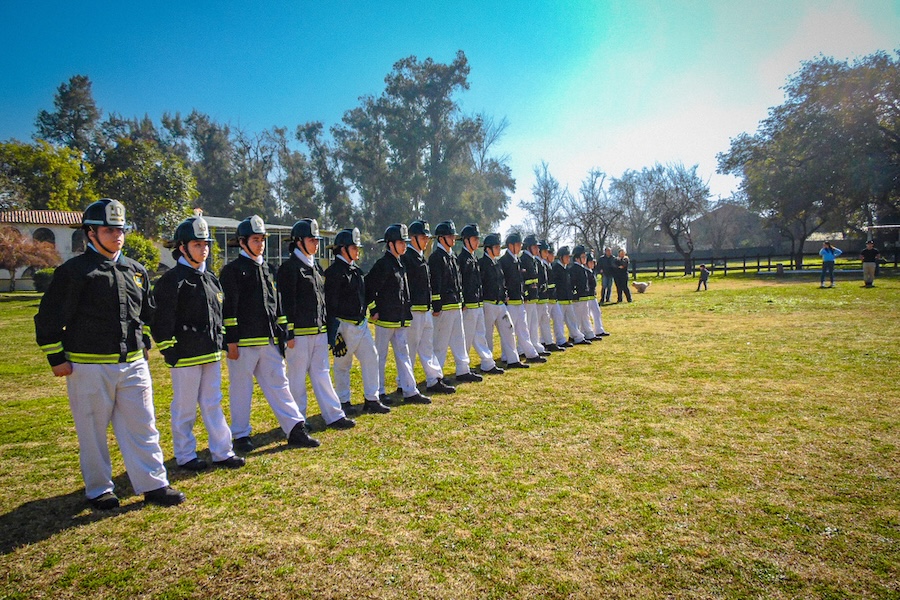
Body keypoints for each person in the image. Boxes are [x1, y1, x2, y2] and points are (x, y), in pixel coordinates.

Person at [35, 198, 185, 509]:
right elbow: (49, 317)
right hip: (88, 366)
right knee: (92, 430)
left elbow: (147, 314)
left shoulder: (136, 270)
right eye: (108, 229)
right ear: (90, 233)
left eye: (120, 229)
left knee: (144, 425)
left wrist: (143, 341)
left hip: (132, 364)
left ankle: (154, 484)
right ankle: (99, 489)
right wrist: (56, 357)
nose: (117, 235)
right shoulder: (73, 272)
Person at [152, 216, 244, 472]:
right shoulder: (172, 281)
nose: (203, 249)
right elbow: (161, 320)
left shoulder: (212, 279)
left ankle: (222, 451)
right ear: (182, 247)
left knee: (213, 402)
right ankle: (185, 455)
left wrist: (222, 342)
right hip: (185, 355)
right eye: (197, 244)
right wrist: (170, 350)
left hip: (211, 353)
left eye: (205, 244)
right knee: (184, 407)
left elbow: (220, 316)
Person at [220, 216, 319, 453]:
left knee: (279, 384)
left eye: (262, 239)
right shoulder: (232, 271)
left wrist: (283, 332)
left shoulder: (267, 268)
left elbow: (276, 304)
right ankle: (241, 435)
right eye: (255, 239)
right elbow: (228, 309)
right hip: (243, 343)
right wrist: (231, 341)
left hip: (268, 340)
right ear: (242, 242)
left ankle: (295, 428)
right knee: (241, 389)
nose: (260, 244)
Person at [277, 219, 356, 429]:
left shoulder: (316, 267)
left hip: (319, 331)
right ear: (299, 242)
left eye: (317, 240)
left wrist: (329, 329)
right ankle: (298, 420)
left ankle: (334, 415)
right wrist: (289, 333)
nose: (316, 244)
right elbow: (285, 303)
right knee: (296, 379)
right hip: (299, 334)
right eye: (312, 240)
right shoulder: (289, 269)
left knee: (322, 374)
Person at [324, 227, 391, 414]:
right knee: (342, 365)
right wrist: (334, 332)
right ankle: (344, 401)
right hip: (343, 325)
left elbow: (363, 296)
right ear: (343, 249)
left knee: (371, 357)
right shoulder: (334, 273)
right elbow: (329, 305)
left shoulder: (356, 270)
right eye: (354, 247)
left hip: (360, 324)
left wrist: (371, 309)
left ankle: (372, 398)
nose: (358, 250)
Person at [365, 224, 432, 405]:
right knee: (380, 356)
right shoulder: (383, 264)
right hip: (385, 320)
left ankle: (410, 390)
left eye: (405, 242)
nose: (404, 245)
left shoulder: (400, 263)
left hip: (400, 319)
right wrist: (374, 309)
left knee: (404, 355)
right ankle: (379, 392)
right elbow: (368, 287)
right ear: (390, 244)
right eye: (401, 242)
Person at [401, 220, 455, 395]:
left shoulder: (419, 257)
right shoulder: (407, 258)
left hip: (425, 309)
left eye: (426, 237)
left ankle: (434, 379)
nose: (426, 240)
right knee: (410, 348)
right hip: (414, 310)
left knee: (427, 348)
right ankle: (403, 383)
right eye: (423, 237)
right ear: (413, 238)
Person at [429, 220, 483, 384]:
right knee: (441, 343)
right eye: (449, 236)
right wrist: (437, 304)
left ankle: (463, 370)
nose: (453, 239)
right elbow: (435, 283)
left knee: (459, 340)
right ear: (441, 238)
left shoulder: (451, 256)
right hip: (445, 306)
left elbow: (458, 280)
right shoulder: (436, 258)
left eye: (453, 236)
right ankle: (436, 376)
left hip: (456, 304)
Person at [457, 223, 504, 375]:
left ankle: (487, 363)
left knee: (479, 335)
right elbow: (460, 282)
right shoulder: (462, 259)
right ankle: (463, 369)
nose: (477, 242)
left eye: (478, 239)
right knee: (468, 338)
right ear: (466, 240)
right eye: (474, 239)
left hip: (477, 303)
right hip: (469, 304)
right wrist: (463, 300)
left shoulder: (472, 257)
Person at [479, 233, 528, 369]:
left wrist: (504, 293)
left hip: (500, 303)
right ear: (488, 249)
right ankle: (488, 364)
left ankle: (513, 359)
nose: (499, 250)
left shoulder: (496, 262)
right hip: (488, 303)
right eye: (496, 247)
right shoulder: (482, 263)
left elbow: (502, 281)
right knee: (487, 334)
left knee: (508, 328)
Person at [520, 235, 549, 356]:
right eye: (534, 247)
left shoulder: (532, 259)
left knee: (533, 323)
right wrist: (526, 294)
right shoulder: (524, 259)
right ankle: (522, 348)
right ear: (528, 247)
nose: (537, 249)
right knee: (526, 324)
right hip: (528, 297)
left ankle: (534, 343)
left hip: (533, 296)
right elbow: (523, 279)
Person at [551, 246, 583, 346]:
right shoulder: (556, 268)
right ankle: (560, 340)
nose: (568, 258)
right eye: (566, 256)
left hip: (567, 299)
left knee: (572, 320)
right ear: (560, 257)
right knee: (559, 321)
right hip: (560, 299)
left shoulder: (566, 268)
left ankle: (577, 337)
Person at [571, 245, 598, 343]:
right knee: (577, 317)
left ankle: (588, 333)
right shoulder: (574, 269)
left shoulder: (581, 268)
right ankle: (575, 335)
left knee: (585, 315)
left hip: (584, 296)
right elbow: (573, 283)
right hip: (578, 297)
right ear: (577, 258)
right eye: (582, 257)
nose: (585, 259)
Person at [537, 240, 562, 351]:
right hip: (541, 298)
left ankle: (547, 341)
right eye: (546, 251)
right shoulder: (539, 264)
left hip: (547, 297)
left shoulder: (544, 264)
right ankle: (541, 342)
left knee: (545, 320)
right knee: (535, 323)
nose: (549, 254)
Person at [585, 252, 610, 337]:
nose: (593, 264)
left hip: (592, 295)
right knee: (586, 314)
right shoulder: (586, 272)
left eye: (593, 262)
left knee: (597, 312)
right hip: (588, 296)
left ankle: (599, 329)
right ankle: (587, 331)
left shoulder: (591, 271)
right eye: (591, 262)